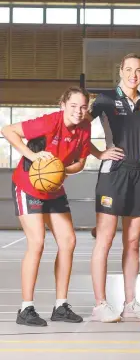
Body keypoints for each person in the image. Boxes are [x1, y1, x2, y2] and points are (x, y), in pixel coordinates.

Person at [1, 87, 91, 327]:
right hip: (28, 185)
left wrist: (61, 169)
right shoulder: (49, 122)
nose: (78, 111)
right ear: (63, 105)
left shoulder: (85, 128)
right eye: (73, 106)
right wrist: (32, 155)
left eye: (83, 107)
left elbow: (80, 162)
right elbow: (7, 130)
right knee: (37, 242)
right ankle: (25, 308)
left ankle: (60, 306)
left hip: (53, 187)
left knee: (68, 241)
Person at [86, 53, 140, 322]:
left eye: (139, 70)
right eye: (129, 69)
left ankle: (130, 303)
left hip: (139, 175)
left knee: (133, 242)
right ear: (120, 71)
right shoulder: (106, 99)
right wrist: (98, 153)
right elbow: (81, 128)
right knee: (105, 241)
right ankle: (100, 304)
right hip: (112, 175)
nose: (134, 75)